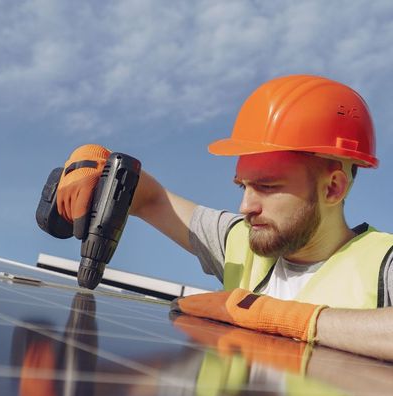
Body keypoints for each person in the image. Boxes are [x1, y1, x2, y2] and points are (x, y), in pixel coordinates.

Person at [55, 74, 393, 361]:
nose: (246, 206)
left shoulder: (382, 263)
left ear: (333, 188)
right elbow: (151, 199)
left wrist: (283, 319)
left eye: (267, 186)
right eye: (243, 185)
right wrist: (97, 163)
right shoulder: (242, 242)